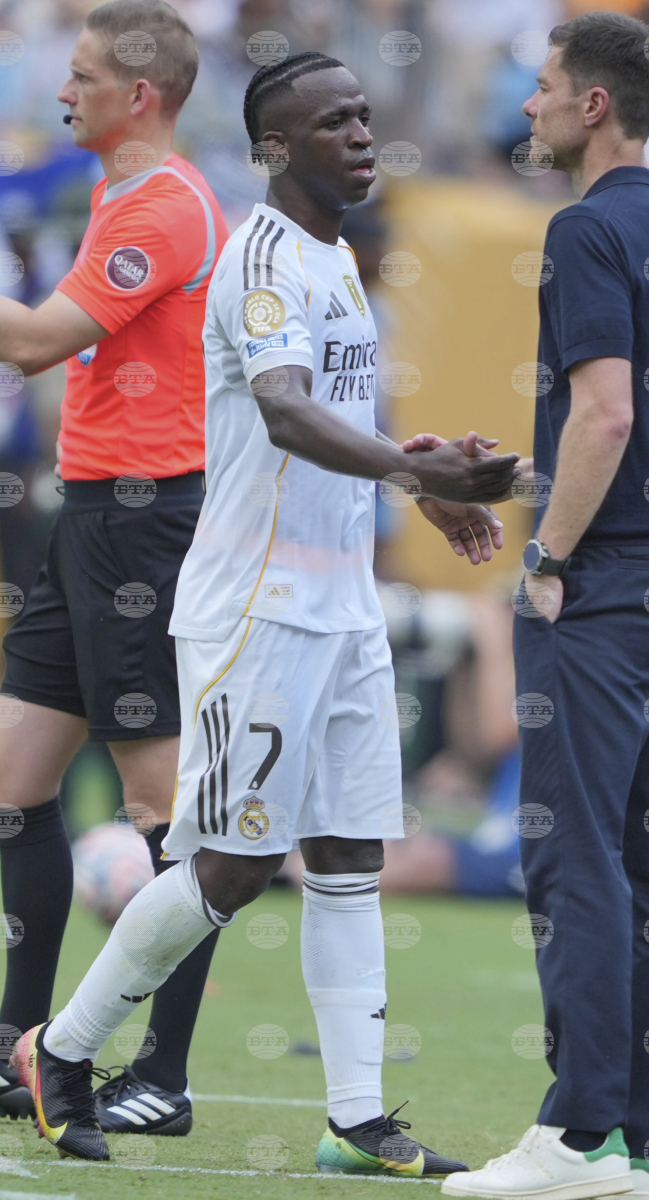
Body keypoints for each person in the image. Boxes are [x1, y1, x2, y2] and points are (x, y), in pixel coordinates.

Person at [11, 52, 519, 1167]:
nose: (361, 135)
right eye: (335, 122)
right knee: (234, 865)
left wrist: (416, 479)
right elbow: (286, 413)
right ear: (276, 147)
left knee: (346, 856)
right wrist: (417, 469)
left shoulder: (336, 257)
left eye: (364, 116)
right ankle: (63, 1047)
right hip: (258, 608)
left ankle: (355, 1120)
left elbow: (330, 425)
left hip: (342, 609)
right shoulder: (263, 256)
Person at [437, 14, 649, 1200]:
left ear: (593, 104)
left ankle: (574, 1138)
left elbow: (607, 418)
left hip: (605, 587)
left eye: (544, 84)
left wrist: (544, 555)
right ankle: (634, 1149)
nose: (528, 103)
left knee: (574, 856)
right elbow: (646, 439)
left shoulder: (582, 227)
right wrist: (514, 478)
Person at [0, 0, 228, 1134]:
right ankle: (18, 1047)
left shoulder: (165, 207)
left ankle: (161, 1075)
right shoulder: (116, 195)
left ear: (139, 95)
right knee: (14, 785)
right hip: (89, 515)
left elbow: (40, 342)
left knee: (161, 811)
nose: (62, 91)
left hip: (144, 524)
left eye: (83, 76)